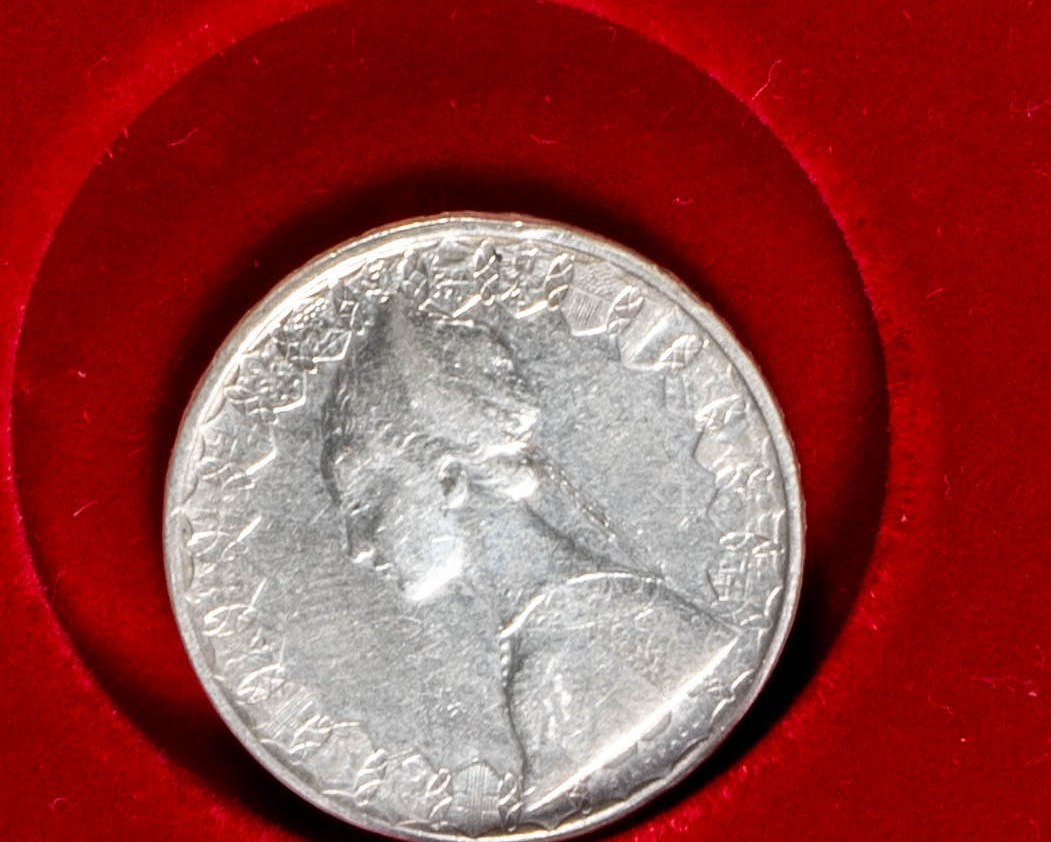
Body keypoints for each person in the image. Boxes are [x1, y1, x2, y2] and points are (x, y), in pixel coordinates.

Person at [317, 297, 741, 814]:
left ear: (449, 479)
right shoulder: (572, 631)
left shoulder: (560, 663)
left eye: (366, 504)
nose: (357, 547)